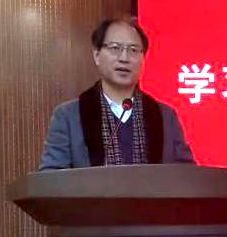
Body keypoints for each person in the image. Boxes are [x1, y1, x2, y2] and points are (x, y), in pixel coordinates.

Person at [39, 15, 194, 170]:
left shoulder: (165, 116)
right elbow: (52, 176)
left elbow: (187, 174)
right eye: (115, 48)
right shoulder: (68, 116)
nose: (124, 58)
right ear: (97, 55)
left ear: (143, 59)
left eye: (133, 50)